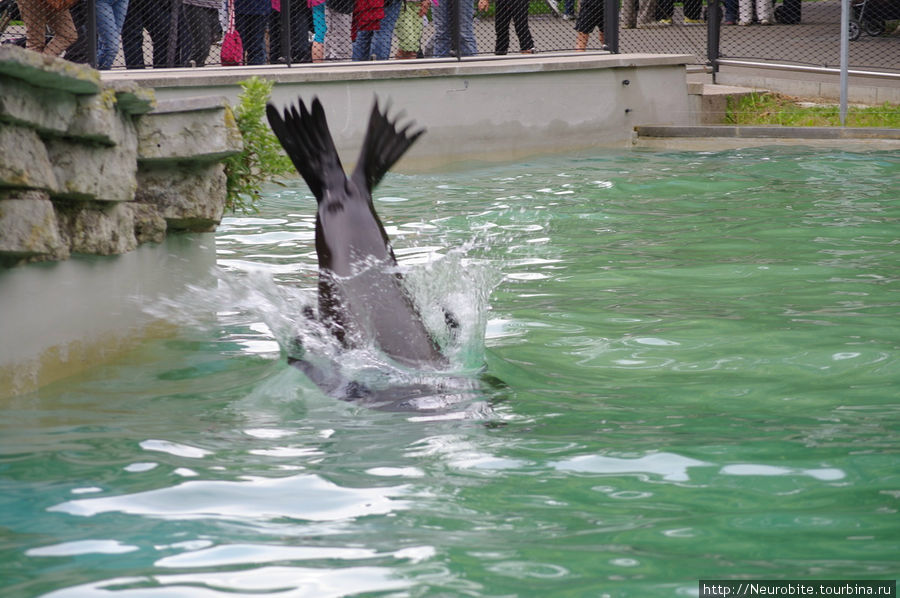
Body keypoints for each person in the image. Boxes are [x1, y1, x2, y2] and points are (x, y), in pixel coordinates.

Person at [183, 0, 223, 66]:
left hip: (215, 6)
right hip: (196, 5)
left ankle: (196, 70)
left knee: (205, 47)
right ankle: (187, 72)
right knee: (202, 48)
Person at [96, 0, 130, 69]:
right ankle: (98, 73)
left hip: (121, 1)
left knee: (106, 43)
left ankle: (97, 72)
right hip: (100, 2)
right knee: (111, 47)